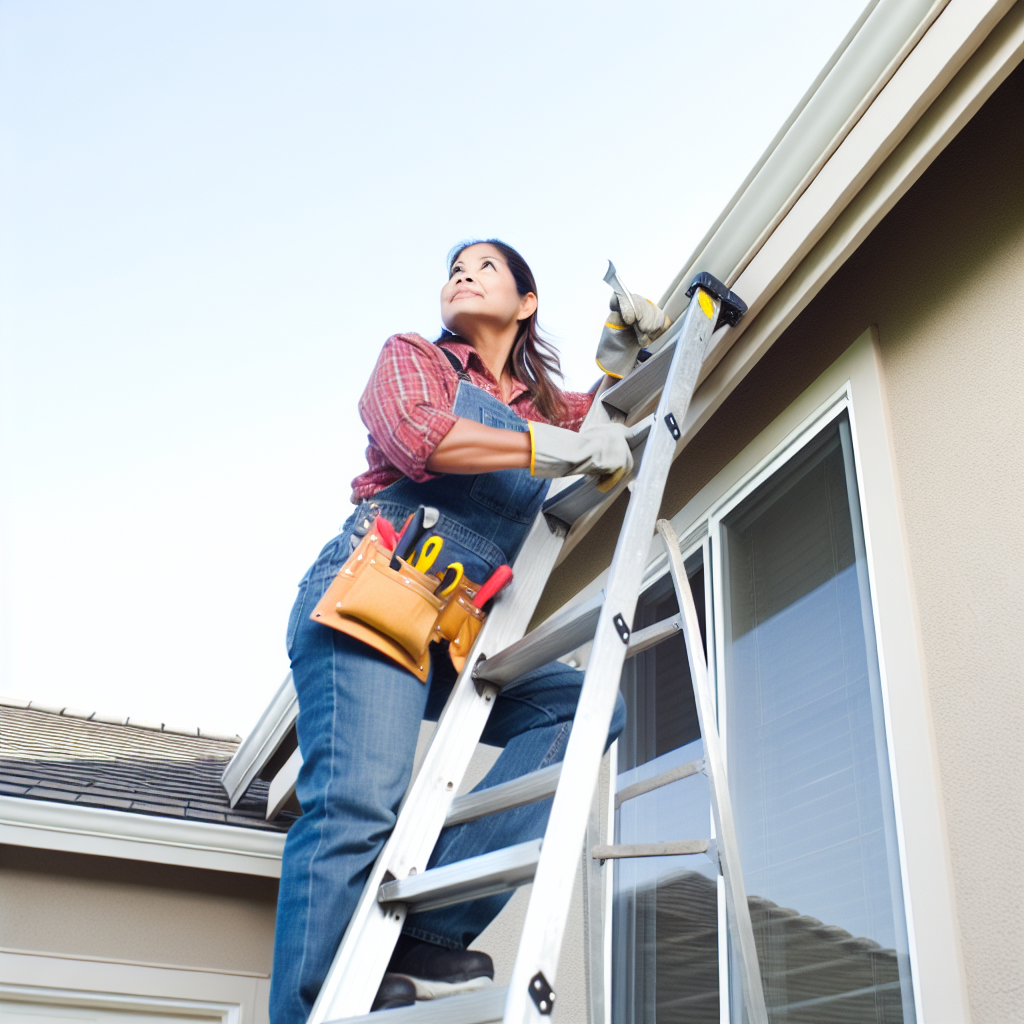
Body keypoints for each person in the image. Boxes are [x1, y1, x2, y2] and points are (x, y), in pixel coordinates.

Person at [269, 240, 669, 1019]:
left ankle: (423, 935)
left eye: (484, 266)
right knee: (358, 806)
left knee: (581, 709)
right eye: (455, 267)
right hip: (378, 587)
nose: (461, 273)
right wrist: (548, 446)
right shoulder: (417, 359)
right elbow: (421, 438)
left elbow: (604, 416)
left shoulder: (546, 408)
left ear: (527, 303)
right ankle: (311, 1011)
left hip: (453, 627)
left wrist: (628, 352)